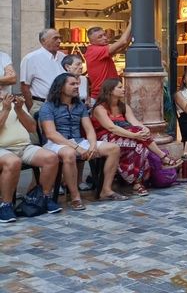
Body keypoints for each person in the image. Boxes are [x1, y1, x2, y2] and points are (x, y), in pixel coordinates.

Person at [39, 73, 125, 209]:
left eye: (77, 84)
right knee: (69, 154)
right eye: (72, 84)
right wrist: (76, 148)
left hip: (79, 141)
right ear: (61, 87)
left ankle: (106, 190)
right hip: (56, 143)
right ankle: (75, 197)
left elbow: (89, 129)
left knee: (113, 148)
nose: (77, 87)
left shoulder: (79, 105)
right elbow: (51, 134)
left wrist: (91, 145)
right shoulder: (48, 107)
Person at [91, 79, 182, 196]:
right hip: (106, 138)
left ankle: (138, 182)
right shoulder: (100, 108)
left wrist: (145, 129)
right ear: (110, 91)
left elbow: (134, 122)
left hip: (126, 137)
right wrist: (135, 135)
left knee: (140, 144)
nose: (123, 89)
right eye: (119, 87)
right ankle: (157, 163)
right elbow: (111, 128)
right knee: (139, 141)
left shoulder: (123, 106)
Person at [0, 93, 62, 221]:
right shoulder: (6, 106)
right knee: (13, 162)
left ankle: (44, 198)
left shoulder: (15, 103)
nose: (3, 90)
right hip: (2, 149)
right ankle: (5, 205)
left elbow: (32, 128)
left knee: (51, 158)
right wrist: (5, 110)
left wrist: (19, 109)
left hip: (24, 146)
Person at [20, 29, 66, 117]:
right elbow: (25, 86)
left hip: (62, 105)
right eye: (55, 38)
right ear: (43, 41)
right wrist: (31, 109)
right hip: (40, 105)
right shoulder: (31, 58)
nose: (59, 41)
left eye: (60, 38)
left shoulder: (63, 57)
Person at [83, 22, 131, 102]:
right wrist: (132, 22)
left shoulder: (98, 49)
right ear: (92, 41)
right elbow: (123, 42)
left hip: (107, 95)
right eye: (100, 37)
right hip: (102, 97)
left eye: (104, 35)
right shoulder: (95, 50)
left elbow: (122, 47)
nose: (105, 38)